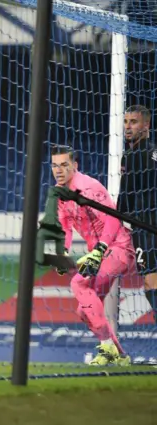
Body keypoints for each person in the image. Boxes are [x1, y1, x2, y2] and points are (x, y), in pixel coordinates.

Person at [52, 145, 132, 366]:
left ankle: (106, 346)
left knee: (79, 284)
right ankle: (120, 356)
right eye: (54, 165)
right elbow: (65, 227)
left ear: (75, 166)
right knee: (85, 310)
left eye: (64, 165)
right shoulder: (60, 193)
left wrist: (100, 249)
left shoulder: (88, 188)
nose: (58, 170)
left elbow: (114, 218)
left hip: (118, 248)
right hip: (98, 254)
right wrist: (63, 251)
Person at [118, 105, 157, 324]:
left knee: (152, 284)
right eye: (125, 122)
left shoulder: (132, 155)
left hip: (147, 227)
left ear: (146, 125)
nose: (127, 127)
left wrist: (113, 218)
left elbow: (126, 197)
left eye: (133, 122)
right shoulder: (154, 151)